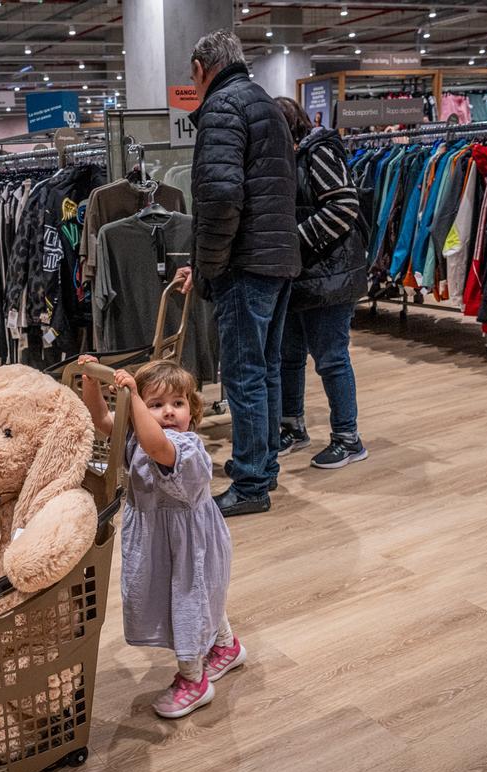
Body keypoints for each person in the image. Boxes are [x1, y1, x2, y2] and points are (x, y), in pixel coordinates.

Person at [175, 29, 301, 517]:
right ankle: (261, 465)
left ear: (203, 68)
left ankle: (251, 483)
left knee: (245, 374)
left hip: (245, 263)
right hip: (278, 259)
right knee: (264, 369)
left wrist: (208, 266)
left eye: (193, 77)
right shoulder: (266, 104)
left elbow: (221, 196)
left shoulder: (223, 108)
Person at [77, 355, 243, 718]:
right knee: (196, 596)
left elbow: (157, 449)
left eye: (178, 403)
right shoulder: (137, 435)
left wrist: (135, 396)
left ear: (191, 409)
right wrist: (92, 383)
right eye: (156, 404)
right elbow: (102, 420)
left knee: (187, 602)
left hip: (189, 543)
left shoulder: (184, 447)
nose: (169, 412)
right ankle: (226, 646)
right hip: (158, 539)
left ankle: (193, 679)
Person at [273, 97, 369, 469]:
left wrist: (295, 240)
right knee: (290, 355)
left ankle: (349, 438)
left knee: (331, 358)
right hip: (306, 276)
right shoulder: (294, 158)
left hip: (330, 277)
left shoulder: (318, 153)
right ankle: (292, 425)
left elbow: (344, 205)